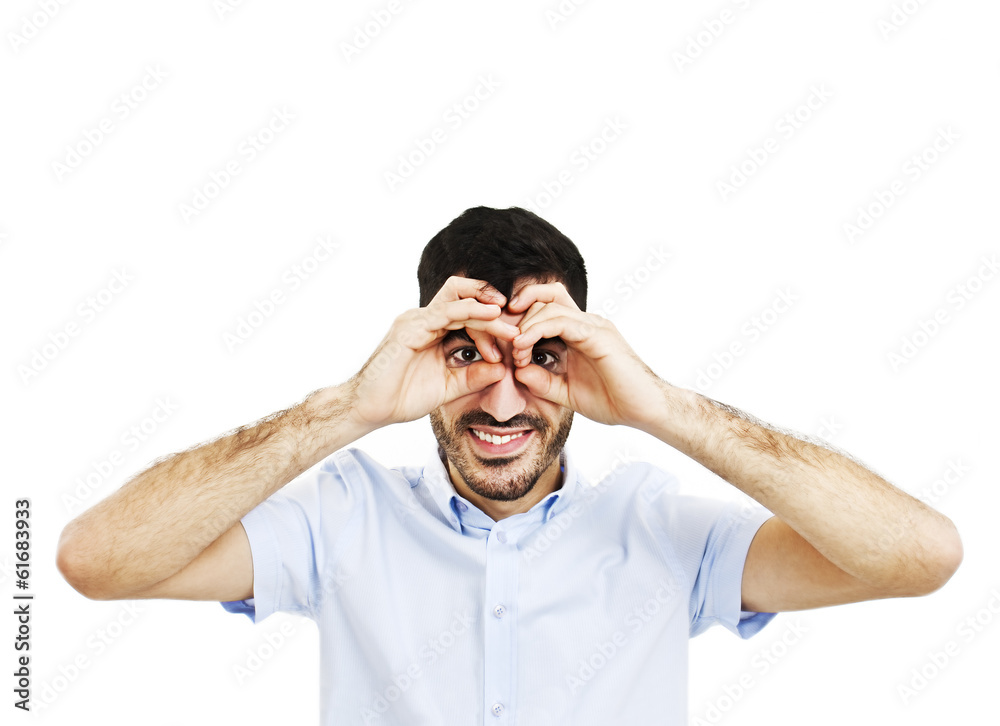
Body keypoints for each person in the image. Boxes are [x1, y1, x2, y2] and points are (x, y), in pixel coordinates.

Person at [57, 206, 962, 724]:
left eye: (542, 357)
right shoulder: (342, 519)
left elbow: (919, 556)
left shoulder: (660, 530)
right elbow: (97, 560)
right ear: (418, 354)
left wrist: (666, 408)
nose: (502, 401)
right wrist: (349, 406)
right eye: (464, 355)